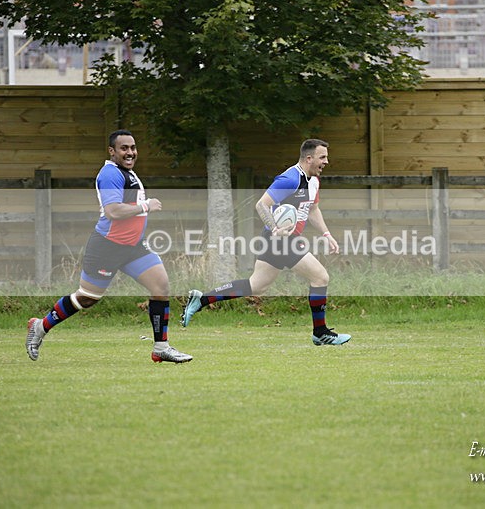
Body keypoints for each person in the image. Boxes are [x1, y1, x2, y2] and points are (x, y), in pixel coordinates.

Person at [25, 130, 192, 364]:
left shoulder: (126, 172)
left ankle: (161, 347)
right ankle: (40, 326)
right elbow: (113, 211)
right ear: (112, 151)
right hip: (108, 247)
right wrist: (146, 206)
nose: (130, 152)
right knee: (87, 298)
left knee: (161, 286)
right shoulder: (110, 174)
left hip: (133, 246)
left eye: (133, 147)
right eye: (124, 148)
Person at [181, 138, 351, 346]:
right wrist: (276, 228)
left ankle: (202, 299)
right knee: (320, 277)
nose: (326, 161)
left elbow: (313, 209)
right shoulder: (289, 179)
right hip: (279, 240)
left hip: (280, 239)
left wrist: (326, 234)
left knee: (256, 286)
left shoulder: (313, 180)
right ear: (309, 158)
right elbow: (262, 205)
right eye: (322, 157)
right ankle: (320, 332)